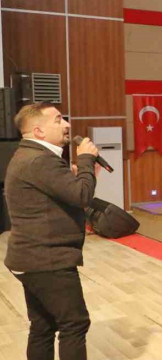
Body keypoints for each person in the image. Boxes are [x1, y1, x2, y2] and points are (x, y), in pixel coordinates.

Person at [5, 102, 98, 360]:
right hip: (47, 259)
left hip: (31, 257)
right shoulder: (40, 160)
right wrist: (87, 161)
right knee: (75, 324)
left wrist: (82, 174)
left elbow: (66, 193)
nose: (67, 124)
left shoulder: (29, 156)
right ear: (39, 131)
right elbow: (82, 195)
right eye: (58, 120)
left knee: (43, 326)